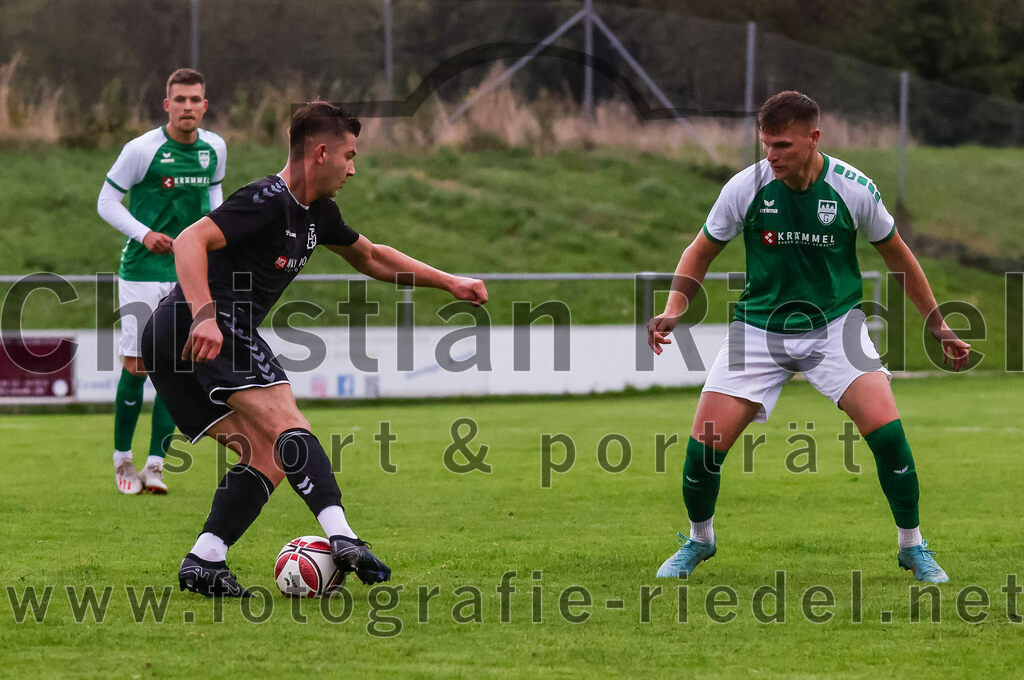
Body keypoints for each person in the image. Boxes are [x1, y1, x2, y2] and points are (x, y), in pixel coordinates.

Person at [141, 100, 488, 596]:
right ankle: (343, 536)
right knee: (289, 426)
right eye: (349, 155)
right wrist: (205, 316)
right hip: (201, 324)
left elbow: (371, 256)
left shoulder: (317, 214)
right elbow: (189, 241)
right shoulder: (266, 199)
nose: (352, 167)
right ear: (321, 153)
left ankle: (205, 560)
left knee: (270, 453)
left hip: (177, 338)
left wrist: (448, 281)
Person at [648, 91, 970, 584]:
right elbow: (700, 251)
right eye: (765, 145)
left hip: (835, 329)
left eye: (782, 145)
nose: (771, 156)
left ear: (813, 138)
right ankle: (699, 539)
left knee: (890, 437)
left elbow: (900, 258)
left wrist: (938, 324)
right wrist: (674, 309)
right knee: (703, 449)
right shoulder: (747, 187)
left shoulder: (853, 188)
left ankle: (913, 546)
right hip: (759, 329)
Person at [98, 68, 227, 495]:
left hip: (185, 276)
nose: (187, 107)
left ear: (205, 105)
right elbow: (106, 201)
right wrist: (144, 233)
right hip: (140, 272)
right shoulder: (141, 149)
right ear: (166, 104)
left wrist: (218, 239)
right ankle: (123, 461)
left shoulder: (214, 149)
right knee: (136, 367)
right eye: (180, 99)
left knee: (175, 370)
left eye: (195, 100)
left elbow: (214, 201)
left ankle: (155, 465)